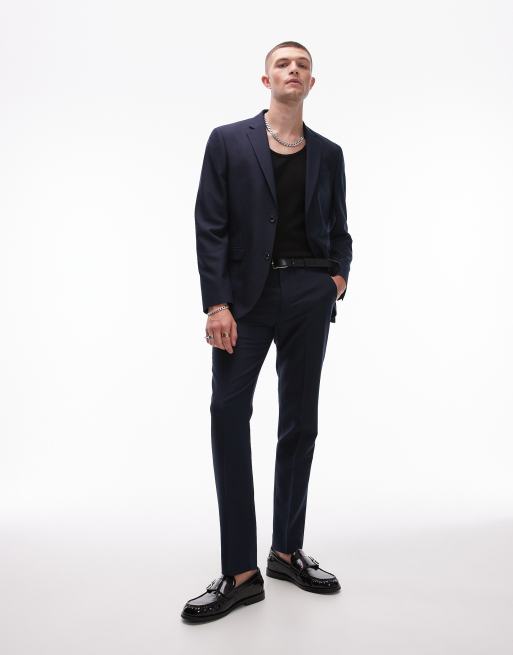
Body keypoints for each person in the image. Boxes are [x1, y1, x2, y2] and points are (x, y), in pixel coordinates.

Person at [181, 41, 353, 623]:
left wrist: (336, 279)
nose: (293, 70)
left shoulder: (328, 154)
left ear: (312, 83)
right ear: (266, 80)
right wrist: (217, 304)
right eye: (283, 63)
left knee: (300, 421)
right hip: (244, 304)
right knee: (228, 415)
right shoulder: (228, 141)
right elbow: (210, 225)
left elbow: (341, 229)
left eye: (303, 65)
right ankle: (239, 572)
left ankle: (285, 552)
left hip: (308, 295)